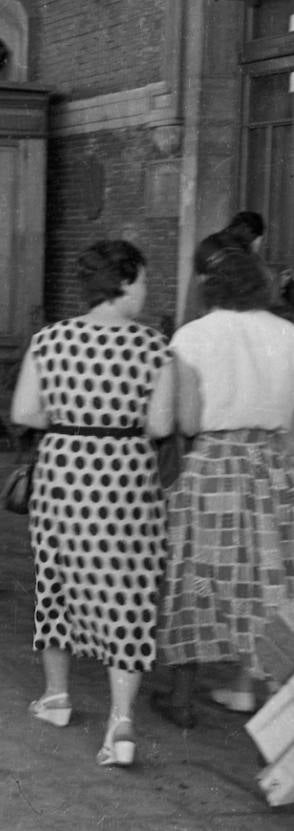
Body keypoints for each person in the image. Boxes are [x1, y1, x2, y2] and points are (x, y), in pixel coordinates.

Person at [10, 239, 175, 767]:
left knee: (56, 578)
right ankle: (120, 725)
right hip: (126, 474)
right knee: (126, 591)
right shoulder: (155, 348)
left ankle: (57, 696)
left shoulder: (49, 340)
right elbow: (162, 426)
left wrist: (72, 421)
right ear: (123, 283)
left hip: (63, 472)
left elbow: (25, 412)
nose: (146, 292)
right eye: (143, 281)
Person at [150, 246, 294, 728]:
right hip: (272, 465)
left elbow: (186, 420)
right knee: (272, 584)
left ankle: (182, 698)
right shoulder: (287, 335)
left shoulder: (192, 336)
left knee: (196, 575)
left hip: (213, 464)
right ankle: (277, 707)